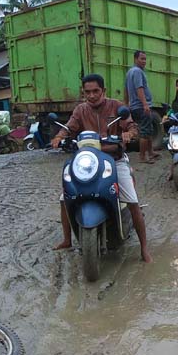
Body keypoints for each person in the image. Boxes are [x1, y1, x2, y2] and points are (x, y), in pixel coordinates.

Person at [51, 73, 152, 263]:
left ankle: (144, 249)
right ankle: (67, 240)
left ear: (103, 91)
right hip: (88, 162)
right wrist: (59, 136)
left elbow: (132, 126)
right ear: (83, 93)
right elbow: (69, 127)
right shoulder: (81, 110)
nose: (91, 95)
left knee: (132, 200)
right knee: (65, 197)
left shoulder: (116, 106)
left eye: (95, 91)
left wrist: (129, 134)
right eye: (87, 92)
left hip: (114, 159)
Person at [124, 50, 159, 164]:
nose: (144, 61)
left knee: (149, 129)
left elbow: (126, 90)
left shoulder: (130, 72)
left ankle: (151, 152)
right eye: (142, 59)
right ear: (135, 59)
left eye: (145, 59)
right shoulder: (138, 71)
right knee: (144, 132)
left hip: (135, 106)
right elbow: (139, 88)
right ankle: (143, 157)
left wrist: (126, 104)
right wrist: (145, 104)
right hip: (141, 107)